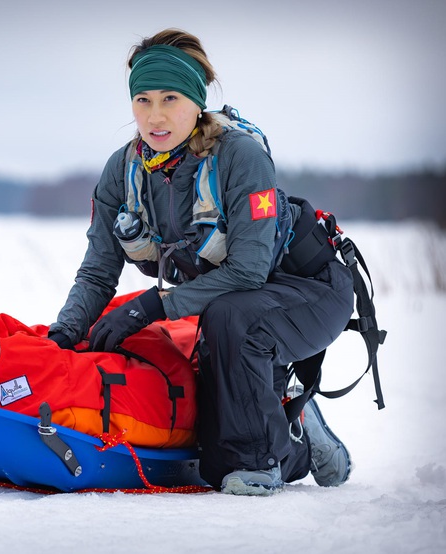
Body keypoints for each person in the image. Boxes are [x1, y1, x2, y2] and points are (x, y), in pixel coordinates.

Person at [47, 28, 354, 496]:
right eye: (143, 100)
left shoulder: (240, 157)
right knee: (213, 450)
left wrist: (153, 305)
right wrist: (64, 335)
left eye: (170, 98)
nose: (156, 116)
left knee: (231, 320)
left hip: (310, 289)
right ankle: (292, 425)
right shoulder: (122, 171)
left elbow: (249, 271)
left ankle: (257, 464)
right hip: (236, 308)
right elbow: (97, 271)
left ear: (196, 101)